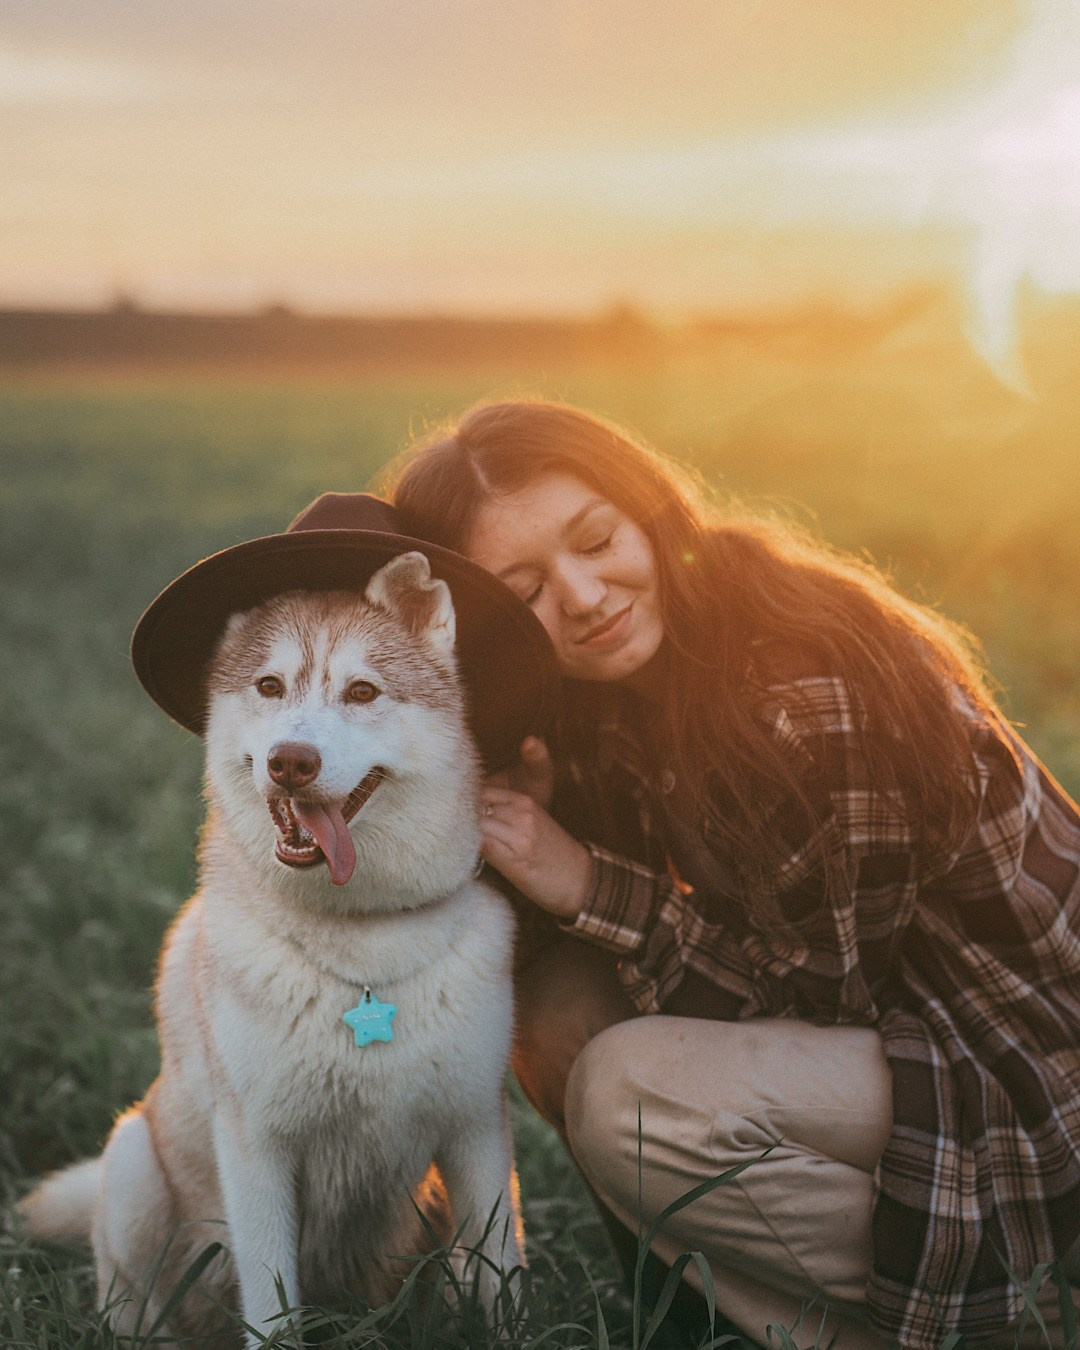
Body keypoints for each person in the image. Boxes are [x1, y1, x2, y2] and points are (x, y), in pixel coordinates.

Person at [384, 399, 1080, 1350]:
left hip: (1029, 1069)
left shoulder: (797, 685)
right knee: (553, 1007)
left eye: (596, 540)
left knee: (628, 1094)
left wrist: (585, 877)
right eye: (529, 588)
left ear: (650, 511)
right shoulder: (616, 689)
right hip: (913, 1043)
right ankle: (694, 1316)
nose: (585, 597)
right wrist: (546, 813)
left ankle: (1015, 1303)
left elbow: (820, 1004)